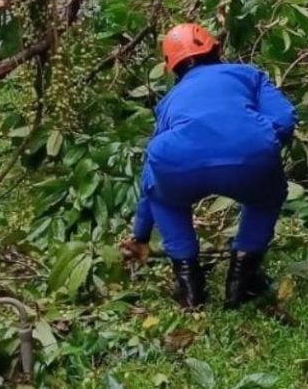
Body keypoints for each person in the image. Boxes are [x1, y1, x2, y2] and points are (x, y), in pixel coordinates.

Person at [121, 23, 297, 311]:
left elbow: (149, 183)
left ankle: (190, 290)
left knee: (161, 193)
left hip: (178, 161)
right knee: (267, 197)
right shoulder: (248, 74)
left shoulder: (168, 102)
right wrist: (259, 137)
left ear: (173, 68)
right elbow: (285, 119)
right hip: (250, 155)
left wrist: (140, 235)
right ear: (217, 48)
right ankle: (240, 284)